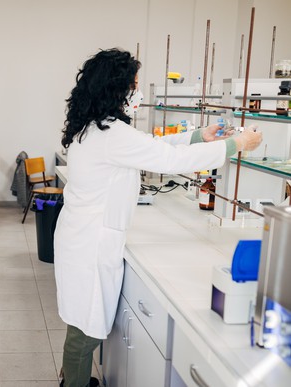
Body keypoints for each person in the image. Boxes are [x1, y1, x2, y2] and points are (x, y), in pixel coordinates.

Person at [53, 48, 262, 387]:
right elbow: (164, 159)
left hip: (84, 237)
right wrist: (234, 144)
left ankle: (74, 380)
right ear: (115, 88)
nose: (136, 92)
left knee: (82, 322)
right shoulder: (111, 134)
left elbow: (149, 146)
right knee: (85, 330)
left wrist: (198, 136)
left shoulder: (96, 127)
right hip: (90, 244)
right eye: (133, 85)